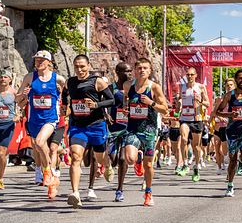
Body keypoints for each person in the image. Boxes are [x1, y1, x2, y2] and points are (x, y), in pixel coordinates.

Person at [64, 55, 114, 208]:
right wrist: (65, 110)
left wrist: (96, 104)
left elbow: (112, 100)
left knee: (100, 158)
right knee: (76, 156)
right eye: (76, 67)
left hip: (96, 125)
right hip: (78, 126)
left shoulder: (97, 81)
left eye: (82, 67)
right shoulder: (70, 82)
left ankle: (107, 165)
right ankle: (75, 193)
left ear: (89, 65)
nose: (79, 70)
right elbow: (66, 96)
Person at [16, 50, 66, 199]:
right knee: (38, 147)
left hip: (50, 119)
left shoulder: (59, 79)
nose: (38, 62)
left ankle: (47, 171)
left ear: (49, 62)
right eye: (37, 60)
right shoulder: (30, 77)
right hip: (34, 119)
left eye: (41, 60)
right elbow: (18, 101)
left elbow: (65, 97)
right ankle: (50, 176)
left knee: (40, 142)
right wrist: (24, 94)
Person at [121, 58, 168, 206]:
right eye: (139, 68)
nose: (142, 70)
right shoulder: (128, 85)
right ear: (135, 70)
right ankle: (137, 159)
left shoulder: (154, 88)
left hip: (149, 129)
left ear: (150, 71)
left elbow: (165, 109)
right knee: (129, 158)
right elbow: (125, 100)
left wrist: (151, 103)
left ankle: (148, 192)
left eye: (145, 68)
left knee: (149, 166)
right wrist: (126, 107)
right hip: (133, 128)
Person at [215, 69, 242, 197]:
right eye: (240, 78)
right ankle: (230, 185)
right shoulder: (229, 95)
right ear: (236, 80)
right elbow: (218, 112)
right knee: (232, 160)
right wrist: (230, 114)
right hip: (232, 132)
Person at [177, 67, 210, 183]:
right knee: (184, 139)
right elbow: (179, 101)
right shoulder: (182, 87)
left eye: (192, 75)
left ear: (195, 75)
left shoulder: (201, 87)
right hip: (184, 118)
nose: (189, 77)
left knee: (196, 146)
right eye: (188, 75)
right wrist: (178, 103)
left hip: (197, 119)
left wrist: (200, 101)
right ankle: (185, 164)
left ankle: (196, 167)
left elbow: (208, 104)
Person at [109, 62, 133, 202]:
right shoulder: (111, 88)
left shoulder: (135, 88)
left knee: (123, 159)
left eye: (131, 71)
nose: (129, 74)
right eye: (126, 71)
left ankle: (119, 189)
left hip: (128, 127)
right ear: (118, 72)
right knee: (113, 161)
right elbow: (102, 102)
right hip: (112, 127)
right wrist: (105, 115)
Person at [211, 79, 235, 176]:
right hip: (219, 126)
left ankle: (228, 159)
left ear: (234, 86)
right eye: (227, 85)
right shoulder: (220, 99)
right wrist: (219, 117)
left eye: (231, 85)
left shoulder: (236, 99)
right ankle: (219, 167)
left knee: (226, 147)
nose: (229, 86)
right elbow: (214, 112)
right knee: (216, 146)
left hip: (231, 126)